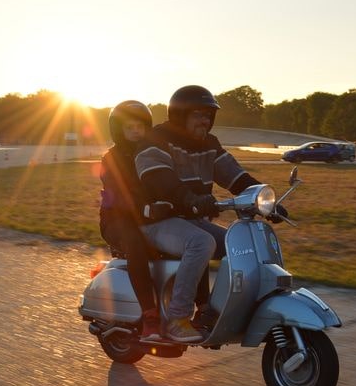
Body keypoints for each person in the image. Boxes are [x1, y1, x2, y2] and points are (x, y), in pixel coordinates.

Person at [135, 85, 287, 343]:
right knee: (201, 242)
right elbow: (161, 181)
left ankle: (213, 311)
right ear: (180, 115)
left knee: (238, 246)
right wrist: (190, 199)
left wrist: (266, 201)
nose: (205, 121)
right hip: (157, 221)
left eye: (208, 115)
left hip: (191, 219)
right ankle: (177, 319)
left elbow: (235, 177)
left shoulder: (208, 144)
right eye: (198, 115)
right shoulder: (156, 139)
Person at [98, 100, 159, 339]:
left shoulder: (152, 154)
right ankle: (150, 314)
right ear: (118, 130)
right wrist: (144, 207)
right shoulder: (110, 159)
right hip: (117, 220)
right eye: (129, 127)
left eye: (140, 126)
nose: (136, 131)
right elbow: (117, 193)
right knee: (136, 244)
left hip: (147, 215)